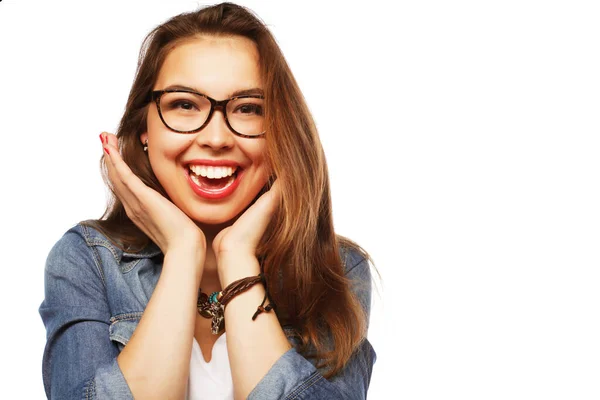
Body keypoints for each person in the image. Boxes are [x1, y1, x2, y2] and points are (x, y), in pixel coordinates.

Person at [38, 2, 376, 399]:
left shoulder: (334, 268)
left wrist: (237, 256)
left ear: (281, 132)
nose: (216, 139)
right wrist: (183, 251)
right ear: (143, 127)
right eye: (184, 104)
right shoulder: (85, 261)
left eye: (248, 109)